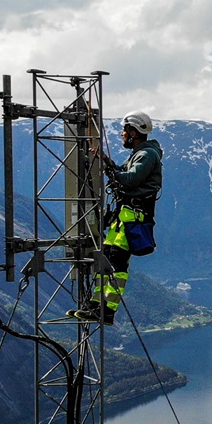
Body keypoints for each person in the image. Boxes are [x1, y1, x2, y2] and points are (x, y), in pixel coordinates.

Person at [69, 110, 163, 325]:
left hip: (131, 218)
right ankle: (95, 305)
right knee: (108, 261)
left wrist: (107, 167)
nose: (122, 134)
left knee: (116, 265)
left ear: (133, 131)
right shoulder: (141, 153)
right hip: (125, 218)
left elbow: (130, 180)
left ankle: (107, 310)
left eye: (124, 130)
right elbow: (127, 174)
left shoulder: (147, 155)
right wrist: (106, 161)